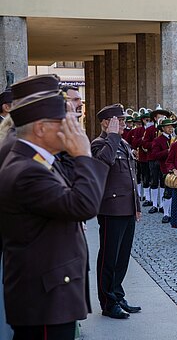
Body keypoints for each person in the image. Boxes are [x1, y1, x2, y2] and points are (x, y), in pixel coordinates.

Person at [0, 86, 108, 339]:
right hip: (45, 299)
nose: (72, 129)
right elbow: (84, 206)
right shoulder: (27, 170)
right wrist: (83, 154)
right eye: (64, 122)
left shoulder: (35, 161)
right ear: (41, 128)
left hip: (49, 293)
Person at [91, 104, 142, 320]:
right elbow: (103, 163)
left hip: (127, 208)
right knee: (109, 258)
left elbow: (131, 178)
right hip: (111, 209)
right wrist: (112, 136)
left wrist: (137, 207)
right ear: (105, 122)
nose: (123, 124)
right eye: (118, 121)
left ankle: (118, 295)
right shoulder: (100, 144)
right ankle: (108, 301)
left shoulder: (123, 143)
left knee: (122, 257)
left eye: (123, 120)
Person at [143, 107, 172, 213]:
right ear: (155, 118)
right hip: (153, 159)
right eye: (160, 116)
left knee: (165, 182)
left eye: (164, 116)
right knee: (154, 181)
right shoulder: (150, 130)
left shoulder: (171, 135)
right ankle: (154, 204)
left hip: (165, 162)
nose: (162, 117)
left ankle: (163, 205)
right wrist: (156, 144)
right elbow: (144, 143)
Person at [149, 118, 177, 223]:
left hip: (176, 168)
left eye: (172, 127)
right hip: (164, 168)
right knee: (168, 191)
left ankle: (174, 212)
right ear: (163, 128)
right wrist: (168, 151)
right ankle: (166, 214)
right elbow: (155, 155)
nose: (171, 129)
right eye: (168, 127)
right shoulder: (158, 140)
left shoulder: (176, 138)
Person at [130, 111, 152, 205]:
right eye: (147, 120)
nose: (148, 121)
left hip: (152, 156)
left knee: (153, 178)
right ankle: (146, 197)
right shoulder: (138, 130)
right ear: (143, 120)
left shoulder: (153, 130)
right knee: (144, 177)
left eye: (150, 120)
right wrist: (142, 139)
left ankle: (153, 199)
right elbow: (134, 143)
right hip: (142, 157)